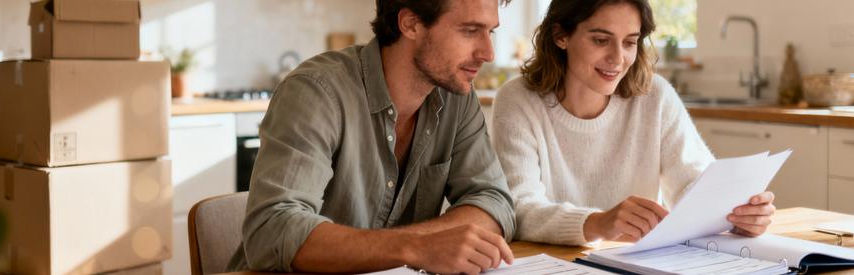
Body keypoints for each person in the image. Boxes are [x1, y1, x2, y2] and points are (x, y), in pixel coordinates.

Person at [225, 0, 516, 273]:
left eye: (490, 32)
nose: (488, 53)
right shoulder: (316, 92)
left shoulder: (456, 98)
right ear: (411, 24)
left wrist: (416, 246)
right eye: (470, 31)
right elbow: (273, 228)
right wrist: (417, 247)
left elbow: (494, 203)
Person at [492, 0, 776, 246]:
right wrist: (598, 223)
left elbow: (694, 184)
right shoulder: (518, 100)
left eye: (630, 42)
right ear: (560, 35)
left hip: (637, 263)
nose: (618, 59)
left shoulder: (656, 96)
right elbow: (519, 208)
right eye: (601, 40)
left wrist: (735, 214)